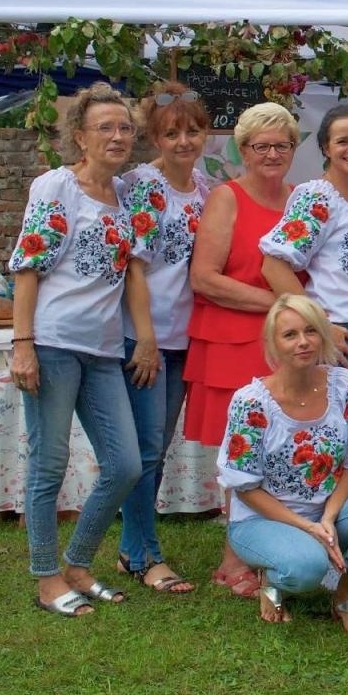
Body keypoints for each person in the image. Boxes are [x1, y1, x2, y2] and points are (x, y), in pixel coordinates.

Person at [10, 83, 143, 616]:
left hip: (104, 348)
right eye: (105, 127)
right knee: (50, 464)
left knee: (125, 464)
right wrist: (23, 345)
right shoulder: (55, 187)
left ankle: (79, 563)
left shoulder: (127, 194)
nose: (117, 136)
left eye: (125, 127)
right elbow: (27, 266)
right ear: (80, 136)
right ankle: (47, 578)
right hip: (54, 342)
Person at [216, 295, 348, 633]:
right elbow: (244, 488)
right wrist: (307, 529)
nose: (303, 342)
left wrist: (328, 519)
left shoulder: (347, 387)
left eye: (311, 331)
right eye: (290, 335)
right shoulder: (252, 402)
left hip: (324, 513)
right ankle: (273, 581)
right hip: (260, 521)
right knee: (307, 568)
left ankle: (343, 597)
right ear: (273, 343)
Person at [184, 101, 300, 596]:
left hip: (283, 346)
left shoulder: (300, 198)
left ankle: (271, 547)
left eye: (282, 145)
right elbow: (205, 278)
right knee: (244, 450)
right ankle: (234, 556)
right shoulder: (226, 198)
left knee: (280, 447)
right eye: (260, 146)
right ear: (244, 150)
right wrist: (282, 304)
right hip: (233, 338)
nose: (271, 154)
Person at [116, 81, 213, 595]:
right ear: (155, 136)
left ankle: (132, 547)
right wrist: (146, 340)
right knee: (147, 448)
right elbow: (134, 267)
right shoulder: (143, 185)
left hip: (184, 338)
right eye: (172, 132)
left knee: (156, 447)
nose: (183, 141)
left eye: (192, 130)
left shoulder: (204, 188)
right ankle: (147, 554)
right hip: (144, 338)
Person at [260, 102, 348, 391]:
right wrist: (321, 328)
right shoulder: (317, 197)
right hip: (341, 328)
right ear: (326, 148)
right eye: (342, 141)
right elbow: (274, 265)